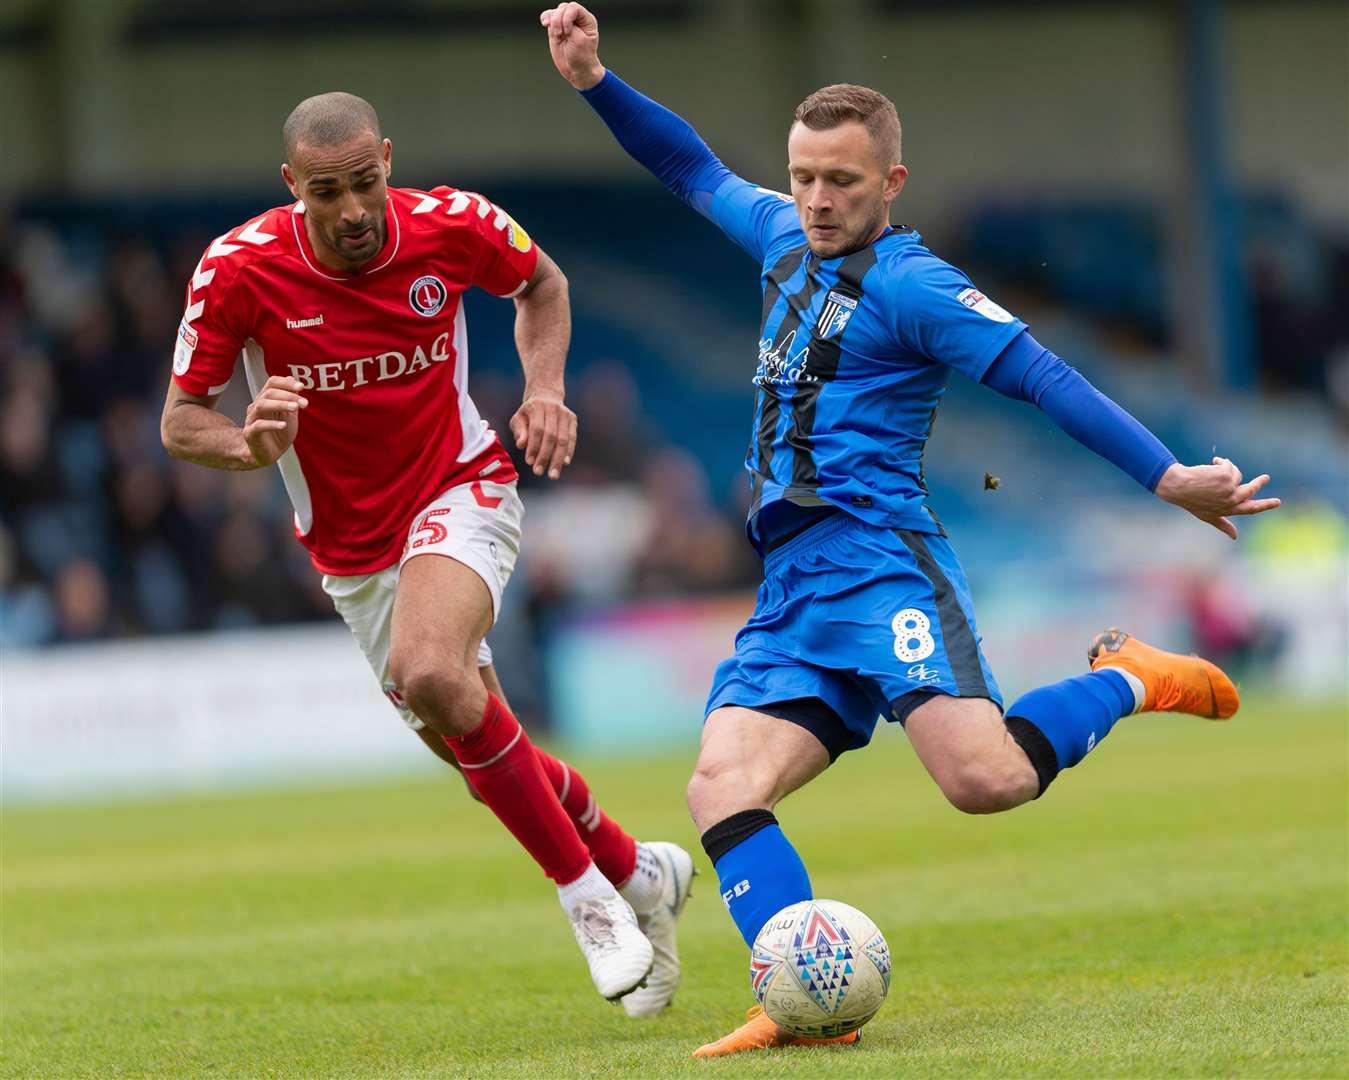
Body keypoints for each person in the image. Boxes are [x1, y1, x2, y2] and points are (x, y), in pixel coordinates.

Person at [539, 2, 1281, 1056]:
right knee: (720, 785)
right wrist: (593, 81)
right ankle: (797, 999)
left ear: (888, 184)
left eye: (840, 181)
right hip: (793, 582)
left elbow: (1042, 376)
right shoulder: (774, 235)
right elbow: (688, 166)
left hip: (882, 565)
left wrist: (1163, 476)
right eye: (801, 177)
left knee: (983, 784)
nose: (814, 199)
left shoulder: (915, 286)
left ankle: (1130, 677)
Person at [159, 90, 694, 1015]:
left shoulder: (451, 224)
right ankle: (638, 871)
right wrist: (245, 444)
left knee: (430, 670)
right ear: (293, 187)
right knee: (476, 748)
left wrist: (544, 387)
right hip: (352, 553)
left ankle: (592, 904)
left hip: (461, 485)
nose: (355, 211)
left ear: (388, 162)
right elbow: (179, 421)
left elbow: (544, 284)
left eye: (366, 182)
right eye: (328, 192)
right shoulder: (238, 270)